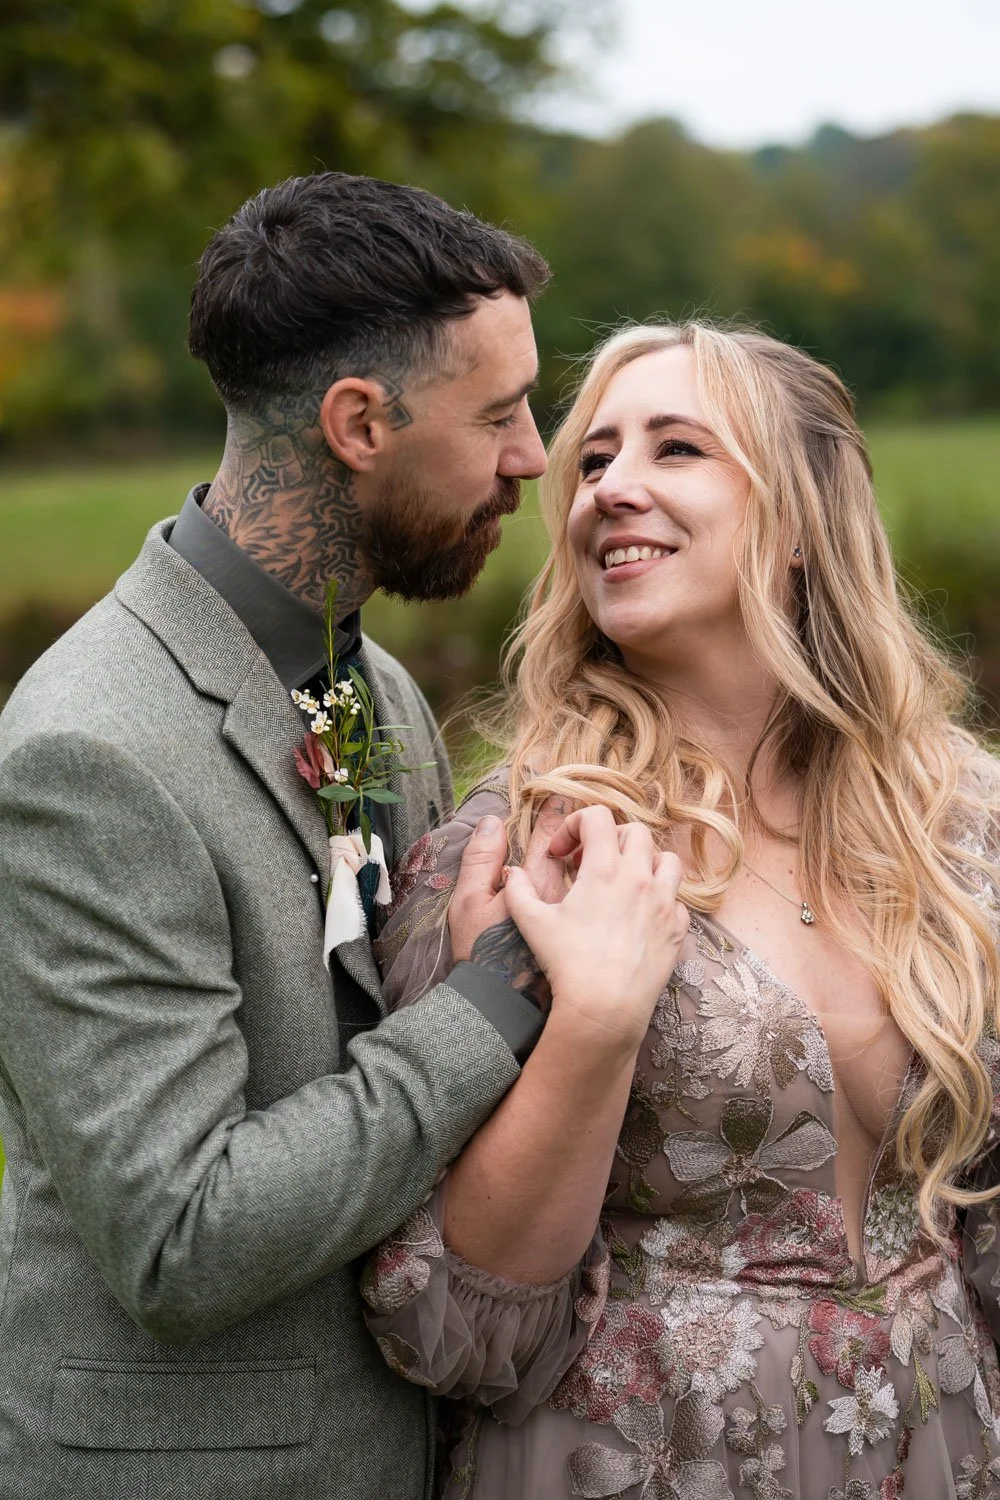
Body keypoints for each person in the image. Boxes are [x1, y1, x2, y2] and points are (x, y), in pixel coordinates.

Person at [0, 175, 683, 1500]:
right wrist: (497, 1001)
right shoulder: (92, 758)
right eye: (499, 414)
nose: (536, 458)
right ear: (359, 422)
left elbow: (364, 993)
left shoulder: (366, 687)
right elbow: (182, 1241)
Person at [361, 321, 1000, 1499]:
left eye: (677, 449)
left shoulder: (960, 816)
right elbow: (453, 1320)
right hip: (650, 1456)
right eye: (594, 459)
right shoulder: (534, 845)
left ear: (804, 520)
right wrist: (594, 1023)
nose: (611, 488)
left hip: (941, 1444)